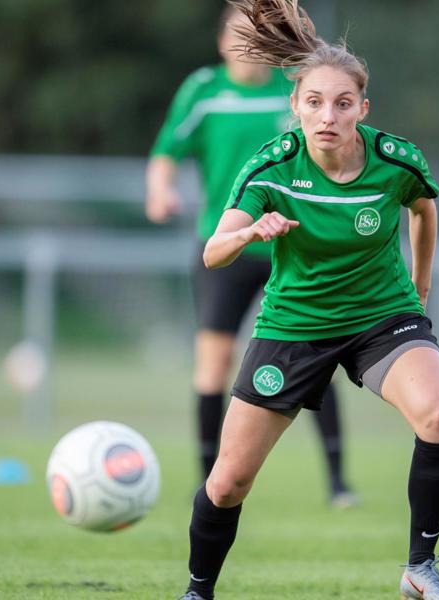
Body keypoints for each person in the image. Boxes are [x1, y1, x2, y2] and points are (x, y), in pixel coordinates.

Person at [177, 1, 439, 599]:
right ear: (296, 108)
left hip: (382, 316)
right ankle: (198, 590)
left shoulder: (395, 161)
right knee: (227, 482)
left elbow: (423, 209)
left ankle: (421, 567)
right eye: (314, 103)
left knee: (438, 417)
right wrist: (250, 232)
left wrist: (423, 285)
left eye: (341, 103)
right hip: (295, 324)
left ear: (363, 107)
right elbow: (213, 251)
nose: (327, 115)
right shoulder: (275, 165)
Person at [147, 5, 355, 505]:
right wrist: (160, 190)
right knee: (213, 364)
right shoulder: (204, 90)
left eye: (258, 34)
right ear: (221, 43)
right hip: (229, 244)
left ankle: (338, 482)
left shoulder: (294, 91)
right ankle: (210, 480)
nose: (248, 43)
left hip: (295, 242)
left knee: (316, 356)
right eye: (240, 34)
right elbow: (165, 153)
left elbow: (333, 109)